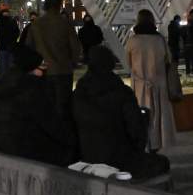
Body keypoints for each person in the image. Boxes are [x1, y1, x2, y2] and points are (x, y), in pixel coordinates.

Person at [73, 45, 170, 180]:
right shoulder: (122, 92)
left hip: (88, 156)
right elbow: (136, 132)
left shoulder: (79, 93)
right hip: (119, 159)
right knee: (162, 162)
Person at [0, 45, 76, 165]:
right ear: (31, 69)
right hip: (29, 154)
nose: (44, 70)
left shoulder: (5, 84)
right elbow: (54, 127)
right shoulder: (31, 89)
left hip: (7, 148)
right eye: (41, 66)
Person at [126, 9, 176, 151]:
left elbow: (129, 64)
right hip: (159, 84)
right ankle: (157, 145)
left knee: (143, 116)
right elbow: (169, 59)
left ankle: (145, 144)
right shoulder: (159, 39)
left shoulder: (132, 40)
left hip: (140, 85)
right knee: (158, 116)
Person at [26, 0, 82, 120]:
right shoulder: (65, 23)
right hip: (63, 69)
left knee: (46, 105)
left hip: (43, 70)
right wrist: (73, 62)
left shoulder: (36, 24)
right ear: (59, 5)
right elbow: (75, 47)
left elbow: (28, 47)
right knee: (63, 105)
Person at [0, 5, 20, 75]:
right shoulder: (12, 22)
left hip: (3, 48)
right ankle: (10, 84)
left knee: (3, 69)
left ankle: (4, 84)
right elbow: (17, 33)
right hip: (10, 48)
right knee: (11, 69)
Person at [183, 9, 193, 75]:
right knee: (189, 59)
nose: (189, 16)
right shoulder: (190, 23)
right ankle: (190, 72)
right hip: (189, 44)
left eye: (190, 15)